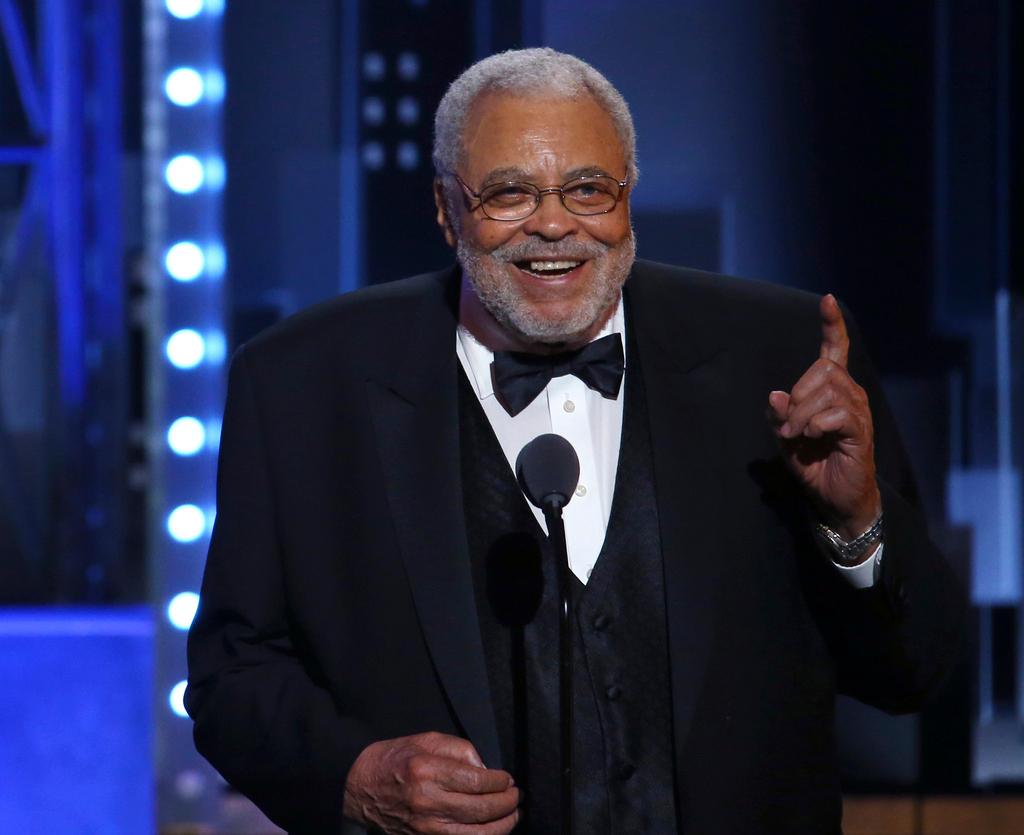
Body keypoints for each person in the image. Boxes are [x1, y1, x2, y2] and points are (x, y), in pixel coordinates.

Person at [186, 48, 964, 834]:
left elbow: (917, 670)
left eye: (589, 188)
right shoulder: (301, 384)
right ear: (446, 208)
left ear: (629, 195)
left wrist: (856, 524)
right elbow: (231, 676)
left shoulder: (786, 352)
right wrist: (355, 776)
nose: (553, 223)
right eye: (508, 192)